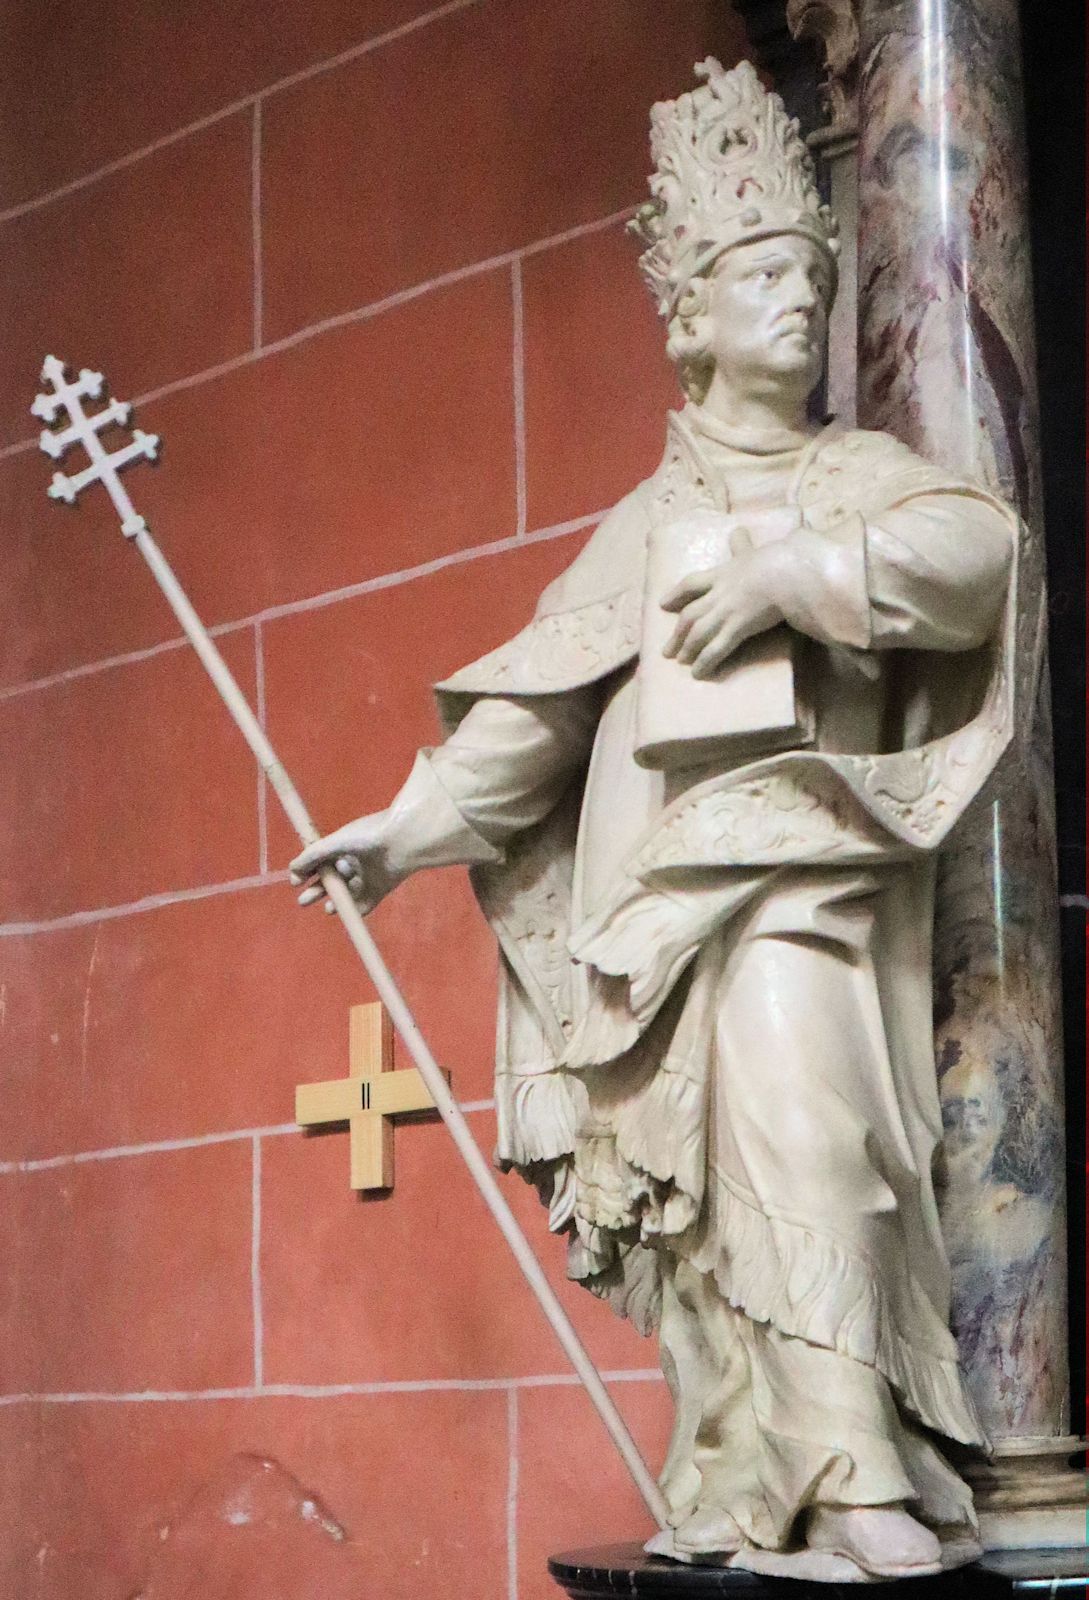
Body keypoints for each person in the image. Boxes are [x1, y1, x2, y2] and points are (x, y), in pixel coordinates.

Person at [292, 59, 1016, 1581]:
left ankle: (850, 1468)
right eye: (760, 277)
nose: (795, 306)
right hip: (668, 912)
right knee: (722, 1202)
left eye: (811, 279)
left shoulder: (856, 476)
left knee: (823, 1140)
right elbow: (530, 722)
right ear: (688, 315)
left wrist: (788, 572)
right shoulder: (641, 525)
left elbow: (970, 558)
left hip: (804, 879)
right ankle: (801, 1472)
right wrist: (401, 832)